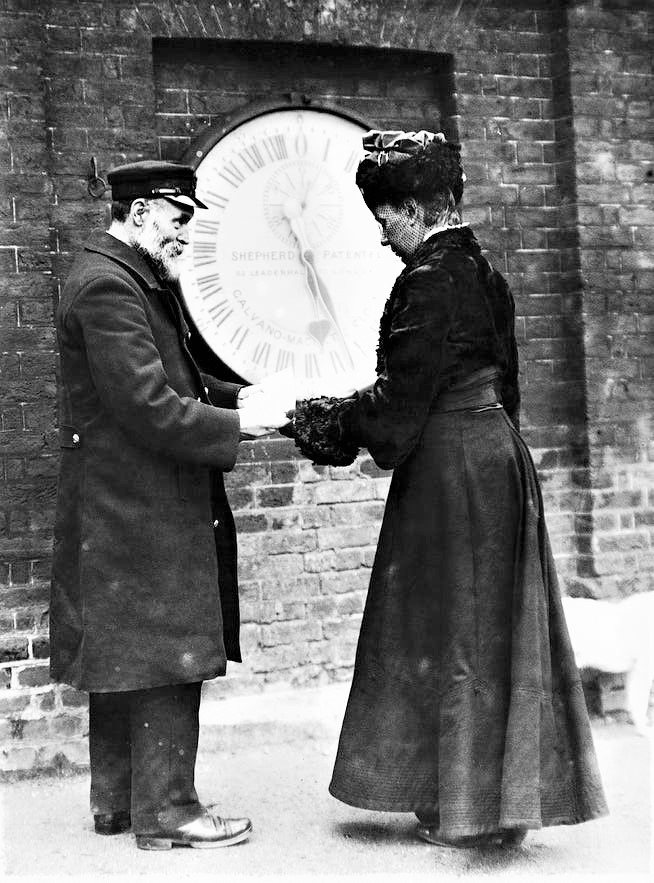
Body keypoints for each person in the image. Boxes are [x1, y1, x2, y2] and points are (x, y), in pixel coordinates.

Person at [286, 130, 608, 847]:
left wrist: (315, 419)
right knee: (489, 630)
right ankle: (492, 805)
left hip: (451, 469)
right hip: (495, 458)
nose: (383, 239)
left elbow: (399, 407)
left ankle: (462, 812)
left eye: (386, 221)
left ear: (415, 209)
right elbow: (508, 387)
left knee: (450, 631)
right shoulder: (485, 274)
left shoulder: (428, 279)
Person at [49, 160, 288, 850]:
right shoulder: (109, 287)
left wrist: (237, 395)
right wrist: (241, 426)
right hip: (139, 505)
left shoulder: (125, 277)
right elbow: (149, 406)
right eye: (181, 218)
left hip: (125, 503)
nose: (189, 232)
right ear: (145, 211)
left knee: (127, 650)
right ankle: (170, 811)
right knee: (166, 651)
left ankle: (119, 801)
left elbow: (173, 373)